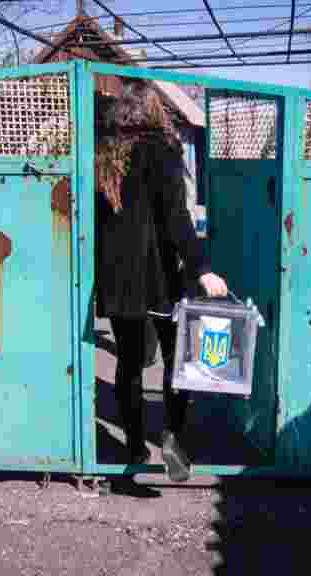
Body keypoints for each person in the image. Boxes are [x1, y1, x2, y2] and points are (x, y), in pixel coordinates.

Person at [94, 80, 229, 483]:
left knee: (130, 362)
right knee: (177, 361)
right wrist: (202, 267)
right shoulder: (162, 149)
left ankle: (134, 443)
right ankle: (172, 437)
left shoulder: (103, 152)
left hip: (117, 274)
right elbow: (176, 219)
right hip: (161, 275)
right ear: (156, 111)